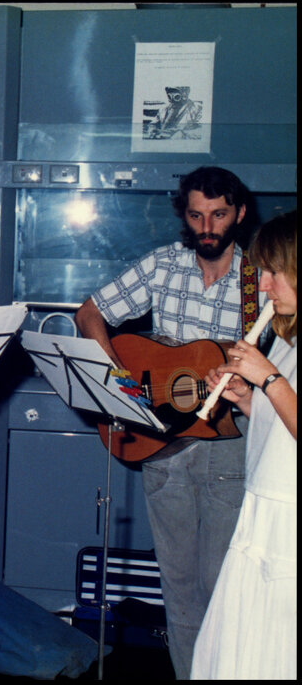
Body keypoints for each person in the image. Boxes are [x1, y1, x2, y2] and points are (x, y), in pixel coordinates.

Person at [74, 166, 261, 680]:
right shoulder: (162, 265)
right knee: (178, 590)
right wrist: (118, 379)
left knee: (222, 587)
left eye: (218, 215)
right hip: (160, 446)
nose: (207, 227)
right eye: (197, 216)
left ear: (240, 214)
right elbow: (89, 314)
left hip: (229, 445)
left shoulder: (259, 280)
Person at [191, 211, 296, 679]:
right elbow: (282, 426)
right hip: (262, 509)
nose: (264, 286)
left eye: (275, 272)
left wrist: (268, 378)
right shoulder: (288, 337)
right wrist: (247, 399)